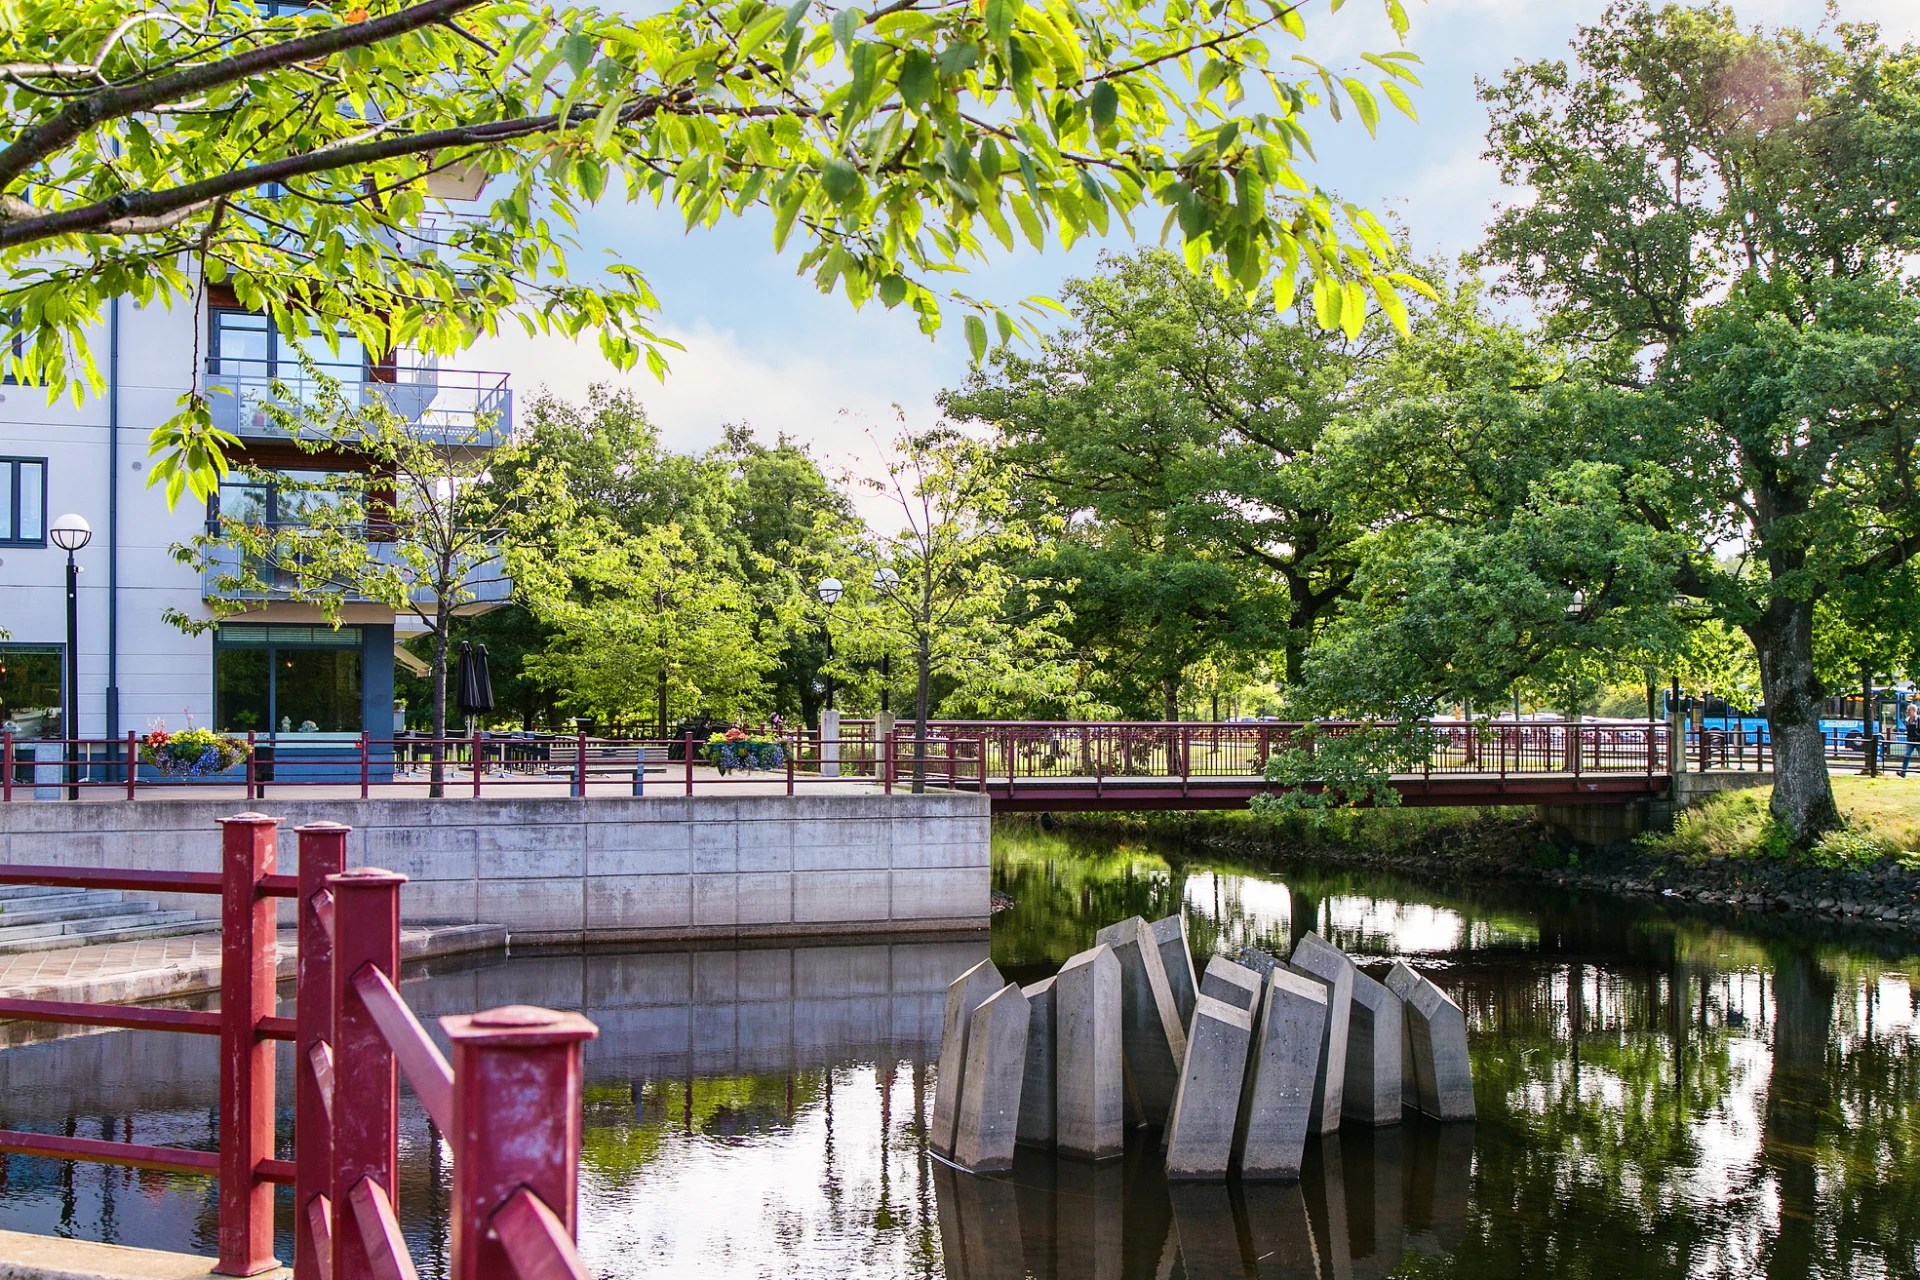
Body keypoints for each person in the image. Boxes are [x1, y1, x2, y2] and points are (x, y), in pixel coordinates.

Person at [1903, 703, 1920, 778]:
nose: (1909, 712)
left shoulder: (1918, 720)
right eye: (1909, 710)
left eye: (1911, 710)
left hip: (1918, 740)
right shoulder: (1907, 720)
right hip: (1910, 740)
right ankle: (1903, 772)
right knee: (1907, 755)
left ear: (1915, 711)